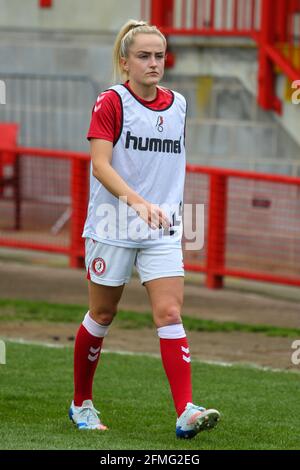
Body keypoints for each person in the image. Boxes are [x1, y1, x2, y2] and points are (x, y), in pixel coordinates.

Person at [69, 19, 220, 439]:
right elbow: (100, 165)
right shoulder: (110, 102)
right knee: (102, 313)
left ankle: (185, 411)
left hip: (163, 227)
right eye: (144, 56)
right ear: (125, 61)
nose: (154, 63)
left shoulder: (180, 104)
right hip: (112, 223)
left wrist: (160, 210)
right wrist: (138, 203)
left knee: (170, 313)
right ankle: (81, 402)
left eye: (159, 55)